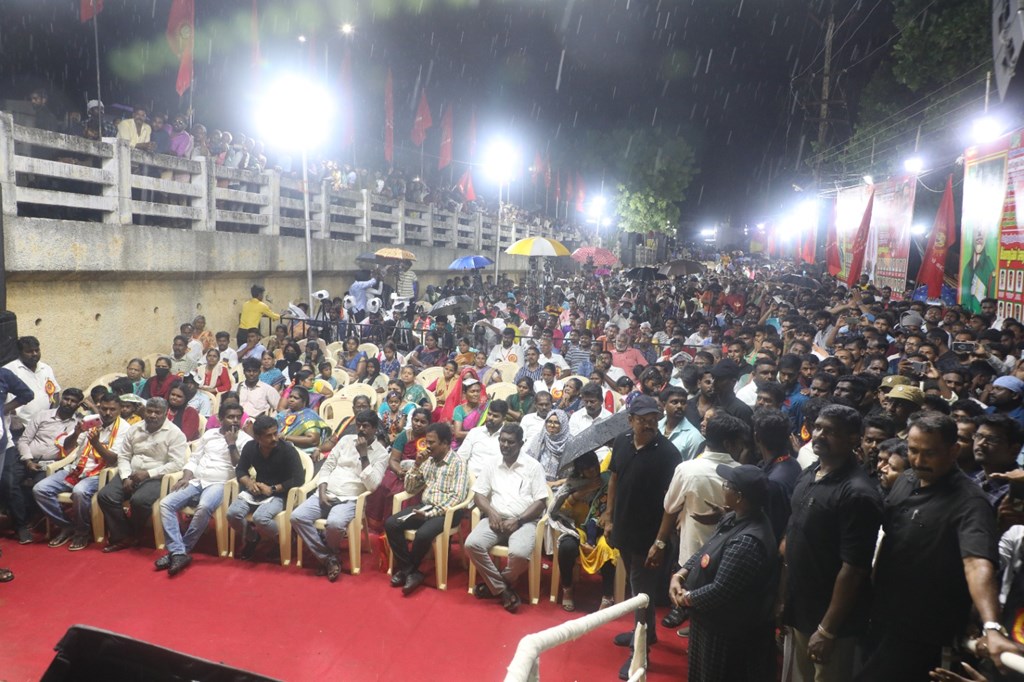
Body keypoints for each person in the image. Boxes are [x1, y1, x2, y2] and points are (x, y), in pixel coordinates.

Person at [856, 413, 1023, 680]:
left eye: (930, 453)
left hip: (922, 632)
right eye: (913, 451)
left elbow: (977, 564)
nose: (919, 460)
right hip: (881, 616)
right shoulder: (906, 479)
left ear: (953, 450)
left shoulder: (969, 502)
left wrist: (991, 626)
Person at [782, 404, 883, 682]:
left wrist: (827, 629)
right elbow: (794, 534)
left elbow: (854, 569)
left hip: (832, 621)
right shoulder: (810, 474)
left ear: (853, 439)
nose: (819, 435)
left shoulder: (857, 493)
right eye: (817, 428)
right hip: (802, 607)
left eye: (830, 431)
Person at [669, 464, 778, 682]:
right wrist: (680, 574)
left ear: (739, 497)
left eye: (727, 485)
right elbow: (706, 550)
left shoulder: (747, 541)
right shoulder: (733, 517)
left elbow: (721, 590)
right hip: (707, 620)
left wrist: (686, 598)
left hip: (726, 632)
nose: (723, 487)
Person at [603, 394, 682, 680]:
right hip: (624, 529)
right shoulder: (622, 442)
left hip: (649, 537)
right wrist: (609, 517)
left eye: (653, 420)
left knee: (641, 593)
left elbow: (672, 503)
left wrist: (660, 542)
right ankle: (647, 635)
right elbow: (614, 479)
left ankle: (640, 653)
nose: (649, 425)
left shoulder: (669, 453)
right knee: (638, 589)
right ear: (630, 421)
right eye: (642, 420)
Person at [656, 413, 745, 630]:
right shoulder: (742, 473)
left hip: (691, 551)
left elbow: (669, 507)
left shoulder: (687, 469)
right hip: (729, 555)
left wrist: (660, 542)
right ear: (729, 444)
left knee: (694, 600)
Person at [291, 410, 389, 581]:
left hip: (350, 499)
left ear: (375, 429)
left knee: (335, 524)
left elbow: (373, 485)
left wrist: (364, 456)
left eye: (366, 426)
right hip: (326, 493)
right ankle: (329, 558)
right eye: (359, 425)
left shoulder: (381, 454)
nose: (361, 429)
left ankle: (327, 557)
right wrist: (322, 490)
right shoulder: (345, 441)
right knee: (297, 517)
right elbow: (327, 466)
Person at [156, 403, 252, 576]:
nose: (235, 420)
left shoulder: (245, 440)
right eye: (230, 417)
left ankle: (180, 551)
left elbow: (240, 467)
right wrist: (186, 477)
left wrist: (231, 444)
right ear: (220, 419)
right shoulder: (209, 434)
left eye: (238, 417)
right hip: (197, 480)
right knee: (165, 504)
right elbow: (194, 458)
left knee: (204, 507)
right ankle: (178, 552)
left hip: (220, 483)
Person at [465, 423, 549, 613]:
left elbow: (541, 502)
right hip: (495, 519)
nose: (505, 445)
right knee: (472, 544)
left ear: (521, 443)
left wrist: (519, 520)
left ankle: (496, 585)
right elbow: (479, 494)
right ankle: (503, 590)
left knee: (519, 553)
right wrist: (491, 512)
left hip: (524, 522)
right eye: (502, 441)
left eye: (510, 442)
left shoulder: (533, 466)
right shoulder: (492, 463)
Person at [33, 392, 127, 551]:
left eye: (112, 409)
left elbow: (112, 460)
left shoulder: (124, 428)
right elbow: (68, 447)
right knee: (40, 489)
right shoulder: (90, 420)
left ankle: (82, 532)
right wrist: (77, 433)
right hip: (76, 468)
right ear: (99, 407)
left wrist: (96, 443)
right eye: (104, 409)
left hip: (100, 473)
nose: (107, 413)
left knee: (80, 491)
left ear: (119, 410)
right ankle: (67, 526)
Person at [385, 422, 469, 596]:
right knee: (392, 524)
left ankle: (407, 571)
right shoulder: (428, 461)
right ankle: (410, 571)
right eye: (427, 442)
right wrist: (416, 465)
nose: (427, 446)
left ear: (445, 443)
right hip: (425, 506)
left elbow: (457, 498)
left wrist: (429, 513)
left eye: (432, 442)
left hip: (447, 512)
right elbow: (409, 488)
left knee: (423, 534)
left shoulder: (458, 463)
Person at [97, 397, 188, 553]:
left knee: (139, 501)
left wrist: (148, 474)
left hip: (157, 477)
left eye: (157, 412)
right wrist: (125, 476)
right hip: (131, 473)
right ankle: (124, 536)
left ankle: (132, 533)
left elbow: (177, 464)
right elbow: (124, 456)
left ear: (165, 413)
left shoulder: (175, 433)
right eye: (149, 411)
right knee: (105, 496)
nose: (152, 415)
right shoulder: (135, 429)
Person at [4, 389, 83, 543]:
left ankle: (31, 519)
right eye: (66, 399)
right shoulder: (42, 415)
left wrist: (77, 432)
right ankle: (20, 524)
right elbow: (24, 440)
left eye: (73, 401)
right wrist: (28, 460)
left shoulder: (78, 424)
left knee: (38, 486)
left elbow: (70, 450)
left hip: (51, 464)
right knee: (8, 482)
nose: (68, 403)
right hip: (26, 459)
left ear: (78, 405)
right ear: (61, 399)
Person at [227, 414, 305, 561]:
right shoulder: (250, 447)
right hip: (258, 491)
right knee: (232, 514)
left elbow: (299, 478)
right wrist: (249, 483)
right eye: (269, 436)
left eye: (275, 433)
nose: (274, 438)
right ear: (257, 438)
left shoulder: (287, 450)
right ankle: (253, 538)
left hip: (280, 493)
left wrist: (273, 489)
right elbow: (241, 470)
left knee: (260, 518)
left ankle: (284, 540)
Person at [549, 451, 617, 612]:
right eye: (587, 469)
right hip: (578, 529)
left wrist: (608, 515)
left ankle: (607, 596)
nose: (593, 470)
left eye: (595, 466)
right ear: (580, 471)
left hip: (604, 528)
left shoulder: (608, 480)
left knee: (607, 547)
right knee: (566, 547)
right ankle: (567, 588)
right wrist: (582, 492)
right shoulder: (573, 484)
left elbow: (620, 503)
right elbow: (558, 510)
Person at [366, 407, 432, 530]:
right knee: (381, 485)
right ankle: (380, 525)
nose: (418, 424)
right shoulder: (404, 436)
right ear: (411, 420)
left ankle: (401, 526)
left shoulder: (432, 439)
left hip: (423, 476)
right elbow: (394, 460)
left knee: (402, 491)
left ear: (429, 423)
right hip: (401, 471)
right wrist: (400, 471)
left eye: (423, 422)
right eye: (416, 420)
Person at [4, 336, 61, 434]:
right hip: (21, 427)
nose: (34, 354)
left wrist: (52, 415)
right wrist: (12, 418)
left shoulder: (46, 368)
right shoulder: (9, 370)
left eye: (37, 350)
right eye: (29, 351)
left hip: (45, 425)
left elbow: (55, 392)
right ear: (19, 352)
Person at [458, 399, 508, 477]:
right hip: (471, 478)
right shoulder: (475, 432)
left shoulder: (508, 438)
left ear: (504, 419)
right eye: (489, 414)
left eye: (495, 416)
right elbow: (461, 457)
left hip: (494, 479)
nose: (490, 418)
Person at [275, 386, 327, 456]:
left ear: (304, 401)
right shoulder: (283, 414)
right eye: (290, 397)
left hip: (299, 452)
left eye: (295, 398)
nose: (291, 400)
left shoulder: (309, 416)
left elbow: (313, 440)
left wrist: (285, 437)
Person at [659, 385, 705, 462]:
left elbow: (692, 465)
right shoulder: (657, 426)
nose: (679, 406)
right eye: (674, 402)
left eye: (683, 402)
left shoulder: (694, 437)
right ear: (664, 405)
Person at [524, 409, 571, 482]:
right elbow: (529, 462)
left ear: (563, 424)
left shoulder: (570, 442)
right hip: (537, 480)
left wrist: (556, 483)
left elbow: (572, 472)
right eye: (549, 422)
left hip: (561, 482)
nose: (552, 425)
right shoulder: (539, 438)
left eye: (556, 423)